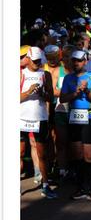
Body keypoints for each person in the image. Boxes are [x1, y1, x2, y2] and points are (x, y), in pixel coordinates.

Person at [60, 49, 91, 200]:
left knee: (89, 155)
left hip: (89, 117)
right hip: (74, 117)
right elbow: (63, 99)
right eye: (74, 61)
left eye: (79, 60)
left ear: (85, 62)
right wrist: (76, 93)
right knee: (77, 154)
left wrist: (86, 90)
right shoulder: (68, 78)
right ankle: (80, 188)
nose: (76, 63)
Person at [20, 47, 55, 198]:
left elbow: (51, 98)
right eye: (34, 61)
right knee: (19, 153)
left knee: (42, 154)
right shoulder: (20, 74)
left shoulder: (45, 74)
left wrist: (42, 93)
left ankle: (46, 185)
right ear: (27, 59)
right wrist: (28, 92)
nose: (37, 63)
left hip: (40, 118)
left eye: (39, 61)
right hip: (20, 118)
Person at [43, 45, 69, 182]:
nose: (51, 60)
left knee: (63, 137)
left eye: (54, 57)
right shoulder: (43, 68)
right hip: (49, 105)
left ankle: (64, 165)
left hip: (63, 105)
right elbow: (50, 90)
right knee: (51, 137)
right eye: (49, 58)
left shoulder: (64, 68)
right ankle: (53, 164)